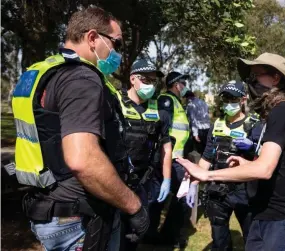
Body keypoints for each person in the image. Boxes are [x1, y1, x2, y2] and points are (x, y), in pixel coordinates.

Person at [11, 7, 148, 250]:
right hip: (80, 220)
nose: (117, 52)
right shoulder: (81, 78)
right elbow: (82, 159)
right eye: (116, 44)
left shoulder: (46, 71)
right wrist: (133, 206)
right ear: (93, 38)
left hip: (51, 207)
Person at [178, 53, 285, 250]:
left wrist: (206, 174)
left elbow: (264, 169)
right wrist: (247, 164)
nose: (250, 82)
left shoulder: (282, 112)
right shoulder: (275, 114)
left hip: (278, 215)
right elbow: (274, 162)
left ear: (275, 78)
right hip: (265, 210)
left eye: (255, 75)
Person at [186, 80, 263, 250]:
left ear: (243, 100)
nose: (228, 103)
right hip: (218, 190)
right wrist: (194, 183)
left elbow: (264, 162)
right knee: (219, 239)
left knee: (252, 238)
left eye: (233, 99)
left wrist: (252, 147)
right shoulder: (217, 125)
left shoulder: (254, 125)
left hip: (244, 192)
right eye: (225, 99)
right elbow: (206, 158)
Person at [116, 58, 173, 248]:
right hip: (115, 180)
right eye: (145, 80)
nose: (150, 85)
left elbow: (166, 146)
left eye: (153, 81)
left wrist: (166, 178)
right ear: (133, 79)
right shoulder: (115, 103)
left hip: (142, 182)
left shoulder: (160, 112)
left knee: (134, 233)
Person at [147, 71, 191, 248]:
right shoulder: (167, 100)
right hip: (169, 159)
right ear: (175, 84)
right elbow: (162, 129)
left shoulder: (177, 102)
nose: (184, 86)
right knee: (182, 198)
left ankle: (152, 233)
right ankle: (168, 236)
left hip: (175, 159)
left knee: (159, 198)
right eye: (182, 83)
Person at [184, 90, 211, 155]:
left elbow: (193, 120)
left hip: (199, 129)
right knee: (206, 148)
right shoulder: (203, 102)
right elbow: (207, 113)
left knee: (199, 150)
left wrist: (195, 134)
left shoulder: (191, 105)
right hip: (207, 128)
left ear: (188, 98)